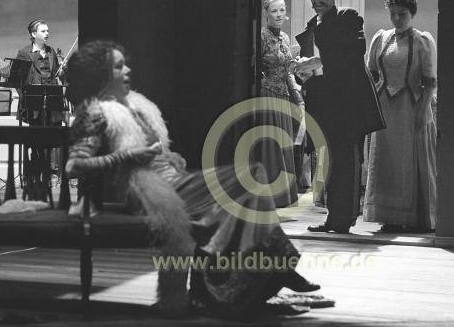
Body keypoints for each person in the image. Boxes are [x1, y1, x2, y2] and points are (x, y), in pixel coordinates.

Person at [64, 40, 321, 318]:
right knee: (250, 177)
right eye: (118, 66)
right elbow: (74, 166)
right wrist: (130, 156)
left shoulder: (137, 106)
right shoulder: (96, 112)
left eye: (124, 64)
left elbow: (155, 152)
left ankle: (250, 283)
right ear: (101, 74)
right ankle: (273, 270)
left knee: (250, 184)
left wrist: (170, 157)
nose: (127, 70)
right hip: (148, 191)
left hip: (175, 181)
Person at [294, 0, 385, 234]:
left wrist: (317, 62)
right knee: (329, 161)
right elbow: (314, 65)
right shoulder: (312, 25)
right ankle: (333, 218)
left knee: (346, 160)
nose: (317, 2)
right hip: (324, 102)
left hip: (347, 104)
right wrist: (302, 69)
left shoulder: (348, 17)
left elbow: (355, 51)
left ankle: (343, 219)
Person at [363, 0, 437, 233]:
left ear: (412, 14)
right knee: (386, 160)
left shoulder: (422, 41)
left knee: (408, 159)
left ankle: (414, 217)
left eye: (402, 14)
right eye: (393, 14)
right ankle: (389, 216)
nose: (396, 19)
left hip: (410, 106)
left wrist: (422, 111)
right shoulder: (381, 38)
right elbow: (372, 74)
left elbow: (430, 82)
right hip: (385, 107)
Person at [258, 0, 303, 207]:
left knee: (284, 145)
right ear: (266, 13)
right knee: (271, 146)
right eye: (274, 11)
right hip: (267, 95)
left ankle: (284, 196)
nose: (279, 15)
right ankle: (269, 197)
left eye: (282, 10)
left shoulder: (285, 37)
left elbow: (288, 72)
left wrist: (298, 97)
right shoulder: (261, 36)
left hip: (284, 96)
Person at [15, 19, 66, 201]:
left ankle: (52, 173)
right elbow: (18, 80)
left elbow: (59, 75)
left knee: (54, 137)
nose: (47, 34)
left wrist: (63, 70)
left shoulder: (52, 52)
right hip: (34, 101)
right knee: (36, 137)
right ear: (33, 34)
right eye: (43, 31)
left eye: (47, 31)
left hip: (51, 99)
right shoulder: (24, 53)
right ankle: (35, 173)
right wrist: (26, 99)